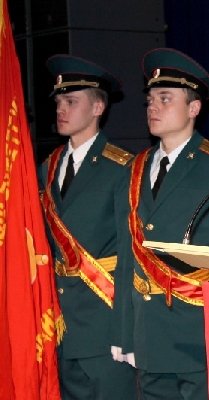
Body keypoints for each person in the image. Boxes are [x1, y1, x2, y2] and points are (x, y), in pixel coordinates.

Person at [111, 48, 209, 400]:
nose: (153, 107)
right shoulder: (133, 170)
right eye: (150, 100)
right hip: (148, 336)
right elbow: (127, 258)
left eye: (165, 98)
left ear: (194, 109)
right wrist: (124, 333)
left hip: (198, 335)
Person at [39, 55, 138, 399]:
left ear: (97, 107)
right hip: (58, 323)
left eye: (71, 102)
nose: (60, 110)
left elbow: (131, 254)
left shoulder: (122, 168)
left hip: (104, 323)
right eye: (58, 102)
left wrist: (126, 331)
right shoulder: (47, 167)